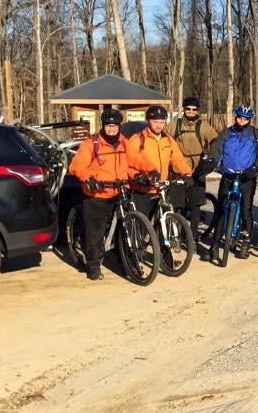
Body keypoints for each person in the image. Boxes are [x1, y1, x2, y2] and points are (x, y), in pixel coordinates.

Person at [69, 108, 151, 281]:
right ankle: (93, 266)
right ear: (103, 126)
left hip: (118, 190)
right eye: (108, 126)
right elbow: (77, 165)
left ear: (119, 126)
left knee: (124, 227)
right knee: (95, 232)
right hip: (97, 193)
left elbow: (136, 159)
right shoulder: (91, 144)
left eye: (115, 126)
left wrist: (151, 170)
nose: (112, 129)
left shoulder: (123, 142)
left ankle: (126, 262)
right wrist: (88, 178)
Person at [207, 105, 258, 260]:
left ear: (249, 120)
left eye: (245, 118)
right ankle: (215, 245)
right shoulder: (226, 133)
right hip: (228, 175)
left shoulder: (256, 134)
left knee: (246, 210)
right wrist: (213, 162)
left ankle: (246, 243)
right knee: (221, 210)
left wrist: (255, 168)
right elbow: (216, 149)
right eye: (240, 117)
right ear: (236, 117)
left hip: (246, 177)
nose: (242, 121)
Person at [126, 105, 193, 219]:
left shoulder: (167, 139)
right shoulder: (137, 139)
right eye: (155, 122)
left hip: (161, 188)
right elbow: (130, 161)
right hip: (143, 188)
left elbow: (177, 158)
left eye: (162, 122)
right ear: (148, 121)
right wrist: (144, 174)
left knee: (161, 224)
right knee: (141, 227)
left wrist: (186, 173)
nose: (159, 125)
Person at [166, 95, 219, 235]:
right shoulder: (174, 125)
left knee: (195, 205)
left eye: (194, 109)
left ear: (197, 111)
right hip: (177, 167)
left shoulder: (203, 126)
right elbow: (164, 142)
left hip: (197, 168)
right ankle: (176, 234)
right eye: (188, 108)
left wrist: (211, 159)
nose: (190, 111)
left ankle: (193, 235)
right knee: (177, 203)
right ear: (183, 109)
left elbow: (215, 141)